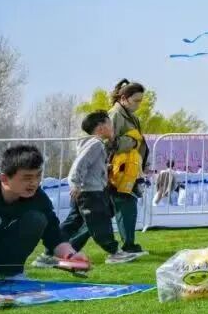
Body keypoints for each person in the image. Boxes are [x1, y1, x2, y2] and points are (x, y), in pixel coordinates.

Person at [34, 112, 139, 267]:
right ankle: (114, 253)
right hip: (90, 193)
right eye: (110, 124)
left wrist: (105, 168)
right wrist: (75, 184)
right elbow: (79, 165)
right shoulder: (95, 144)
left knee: (71, 224)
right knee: (100, 222)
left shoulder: (93, 144)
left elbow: (89, 166)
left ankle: (47, 255)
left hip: (86, 191)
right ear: (101, 127)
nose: (113, 127)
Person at [0, 145, 87, 277]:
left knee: (37, 219)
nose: (34, 183)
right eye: (27, 178)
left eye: (38, 176)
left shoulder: (38, 199)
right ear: (4, 179)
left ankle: (11, 273)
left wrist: (71, 256)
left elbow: (55, 236)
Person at [107, 79, 149, 256]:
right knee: (123, 207)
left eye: (140, 101)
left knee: (108, 212)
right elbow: (108, 142)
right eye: (136, 100)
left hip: (129, 170)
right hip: (117, 171)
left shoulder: (131, 116)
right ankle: (128, 246)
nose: (139, 104)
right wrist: (132, 141)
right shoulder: (114, 115)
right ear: (124, 98)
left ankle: (129, 245)